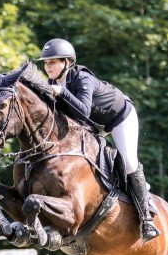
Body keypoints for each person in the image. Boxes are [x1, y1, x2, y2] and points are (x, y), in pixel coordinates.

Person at [38, 38, 160, 243]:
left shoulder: (82, 78)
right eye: (45, 63)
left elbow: (84, 111)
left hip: (119, 117)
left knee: (128, 160)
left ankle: (146, 216)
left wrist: (63, 92)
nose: (47, 66)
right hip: (94, 126)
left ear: (67, 62)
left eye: (52, 62)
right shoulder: (52, 84)